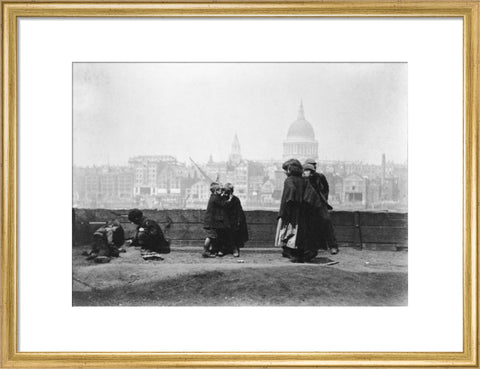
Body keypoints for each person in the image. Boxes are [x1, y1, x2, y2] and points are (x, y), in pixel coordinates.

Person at [303, 158, 339, 255]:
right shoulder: (303, 178)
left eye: (313, 165)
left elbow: (326, 189)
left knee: (326, 220)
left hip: (319, 204)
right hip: (308, 205)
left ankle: (333, 246)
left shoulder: (320, 177)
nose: (312, 167)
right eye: (309, 165)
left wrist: (323, 200)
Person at [275, 159, 308, 263]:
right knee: (298, 232)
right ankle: (297, 253)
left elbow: (290, 192)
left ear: (290, 170)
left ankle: (290, 253)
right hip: (302, 211)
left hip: (290, 211)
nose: (285, 172)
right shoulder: (304, 180)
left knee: (288, 231)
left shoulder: (289, 180)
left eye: (286, 170)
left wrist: (289, 204)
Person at [202, 182, 232, 258]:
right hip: (211, 222)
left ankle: (208, 251)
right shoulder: (215, 198)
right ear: (215, 191)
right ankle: (205, 251)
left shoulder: (213, 196)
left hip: (209, 221)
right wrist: (230, 198)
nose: (221, 191)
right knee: (210, 236)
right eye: (219, 190)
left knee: (211, 236)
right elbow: (224, 204)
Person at [223, 183, 249, 257]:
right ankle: (224, 249)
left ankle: (234, 248)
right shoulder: (223, 199)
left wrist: (238, 221)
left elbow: (239, 212)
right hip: (225, 220)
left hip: (233, 221)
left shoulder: (235, 200)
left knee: (233, 232)